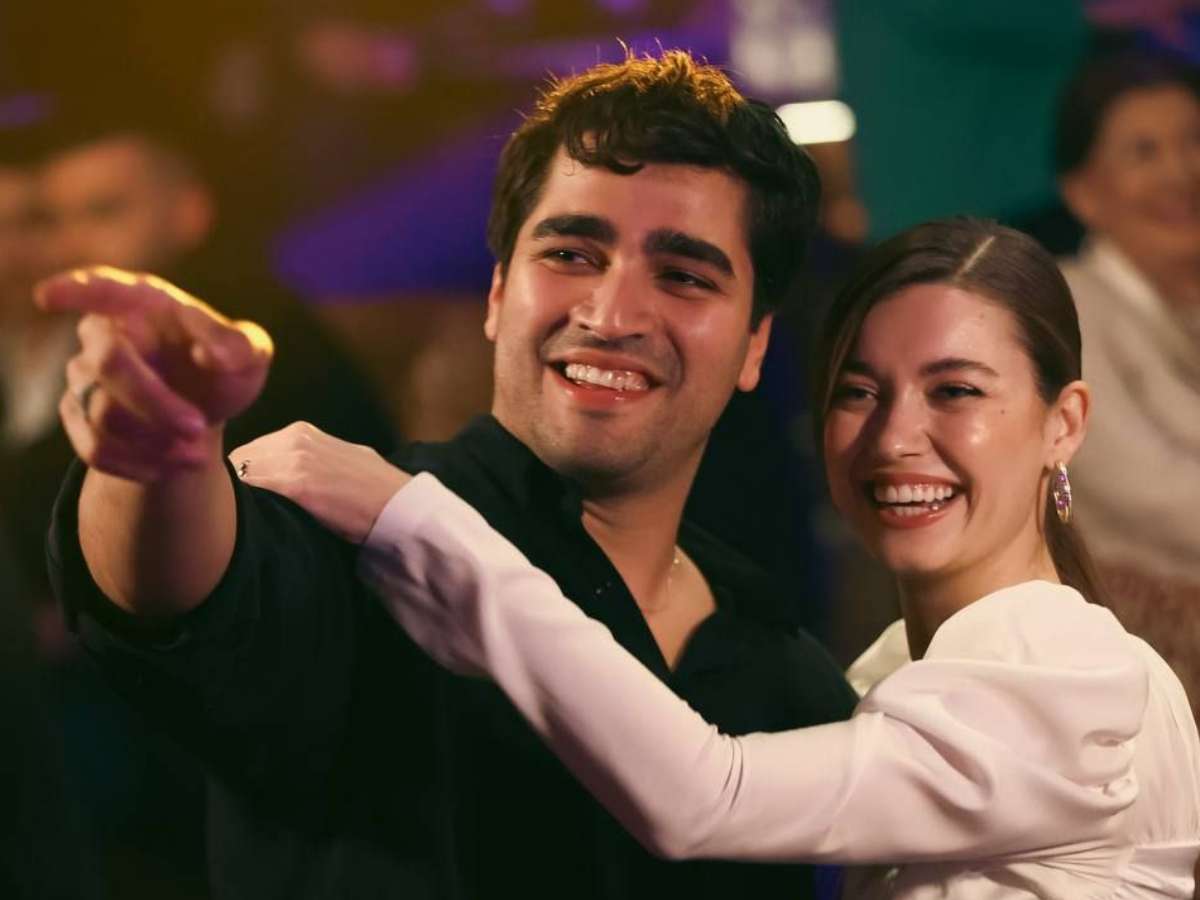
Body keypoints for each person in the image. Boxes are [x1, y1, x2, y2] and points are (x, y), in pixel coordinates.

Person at [42, 51, 857, 898]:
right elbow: (180, 591)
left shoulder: (791, 676)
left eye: (684, 276)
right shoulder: (352, 532)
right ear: (499, 293)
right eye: (572, 254)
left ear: (754, 344)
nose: (613, 315)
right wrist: (159, 457)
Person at [243, 218, 1200, 897]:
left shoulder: (1066, 675)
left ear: (1063, 422)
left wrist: (411, 518)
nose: (895, 438)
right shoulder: (897, 674)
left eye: (956, 392)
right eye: (859, 392)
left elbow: (707, 796)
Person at [1056, 51, 1200, 718]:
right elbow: (1149, 491)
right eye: (1144, 152)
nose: (1182, 172)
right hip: (1140, 661)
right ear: (1083, 192)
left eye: (1193, 141)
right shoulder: (1068, 306)